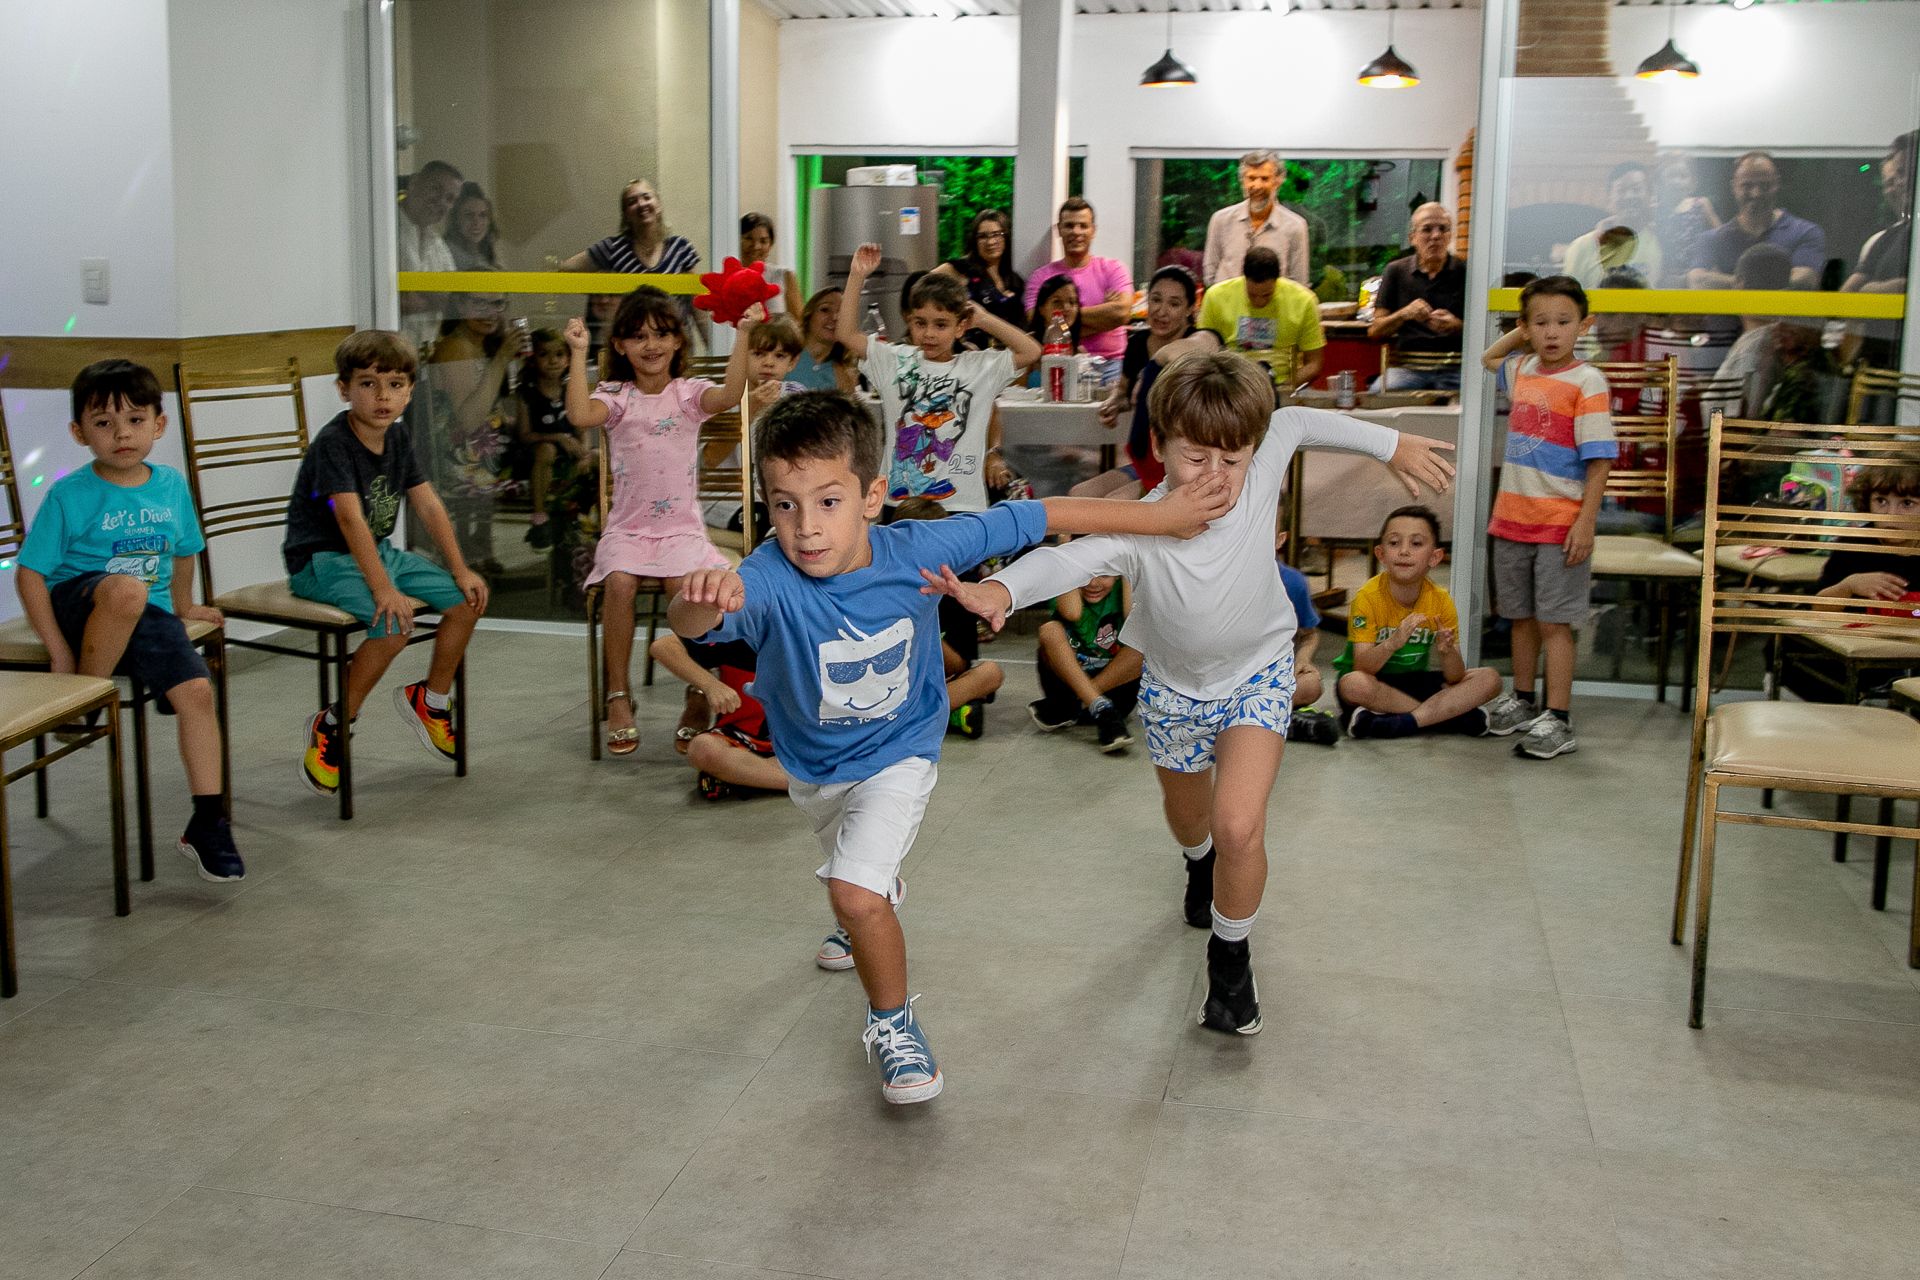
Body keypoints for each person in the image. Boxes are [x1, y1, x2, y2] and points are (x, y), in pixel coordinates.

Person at [667, 389, 1238, 1102]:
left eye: (828, 502)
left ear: (873, 495)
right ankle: (866, 908)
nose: (806, 528)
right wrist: (699, 592)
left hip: (903, 749)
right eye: (784, 505)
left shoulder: (920, 548)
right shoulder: (764, 579)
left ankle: (893, 1025)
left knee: (853, 887)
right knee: (852, 872)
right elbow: (689, 624)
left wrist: (1160, 517)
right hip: (812, 766)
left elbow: (1042, 514)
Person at [933, 353, 1456, 1036]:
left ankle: (1230, 960)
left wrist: (1394, 443)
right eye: (1196, 458)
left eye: (1232, 460)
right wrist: (999, 589)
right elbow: (1070, 556)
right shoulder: (1144, 523)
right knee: (1193, 823)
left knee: (1239, 824)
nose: (1216, 477)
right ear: (1160, 447)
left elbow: (1295, 419)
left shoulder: (1261, 461)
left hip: (1258, 676)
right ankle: (1197, 864)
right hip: (1176, 693)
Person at [16, 360, 242, 881]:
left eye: (136, 420)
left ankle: (208, 822)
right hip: (81, 606)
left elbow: (185, 549)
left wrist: (184, 607)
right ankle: (83, 696)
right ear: (79, 433)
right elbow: (30, 575)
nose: (122, 434)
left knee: (198, 694)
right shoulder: (70, 494)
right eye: (103, 423)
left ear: (159, 425)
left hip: (148, 613)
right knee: (125, 589)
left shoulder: (169, 485)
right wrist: (58, 651)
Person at [285, 331, 489, 797]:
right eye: (368, 384)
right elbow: (352, 520)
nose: (383, 396)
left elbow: (429, 505)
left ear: (410, 390)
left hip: (376, 554)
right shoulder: (334, 443)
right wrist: (382, 589)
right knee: (393, 623)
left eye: (395, 384)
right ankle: (334, 723)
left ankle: (431, 700)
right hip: (322, 560)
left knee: (465, 602)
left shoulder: (396, 436)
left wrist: (460, 569)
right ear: (343, 389)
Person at [563, 286, 755, 756]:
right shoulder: (617, 397)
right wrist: (577, 353)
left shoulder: (687, 395)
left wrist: (743, 333)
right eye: (638, 336)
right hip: (627, 530)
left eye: (662, 334)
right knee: (621, 583)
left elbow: (731, 393)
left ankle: (696, 691)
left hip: (681, 531)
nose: (651, 345)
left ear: (677, 342)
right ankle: (617, 694)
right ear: (620, 346)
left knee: (684, 589)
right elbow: (578, 413)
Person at [1477, 277, 1618, 761]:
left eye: (1563, 322)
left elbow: (1599, 459)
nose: (1552, 332)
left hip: (1560, 521)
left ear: (1585, 325)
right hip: (1512, 517)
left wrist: (1586, 522)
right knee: (1519, 617)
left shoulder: (1588, 380)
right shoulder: (1522, 370)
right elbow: (1488, 358)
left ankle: (1558, 717)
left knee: (1555, 622)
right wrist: (1521, 333)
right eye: (1541, 323)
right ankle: (1523, 699)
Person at [838, 243, 1040, 513]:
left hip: (961, 504)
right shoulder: (894, 359)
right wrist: (857, 276)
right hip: (901, 504)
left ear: (961, 327)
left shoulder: (980, 366)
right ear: (909, 321)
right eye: (920, 323)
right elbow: (846, 335)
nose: (929, 333)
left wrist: (984, 319)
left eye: (941, 324)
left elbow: (1032, 351)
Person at [1332, 506, 1500, 739]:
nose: (1403, 551)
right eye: (1394, 543)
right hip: (1375, 681)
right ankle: (1449, 717)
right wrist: (1392, 643)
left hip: (1414, 682)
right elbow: (1363, 666)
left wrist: (1447, 651)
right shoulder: (1367, 597)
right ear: (1381, 554)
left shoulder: (1440, 600)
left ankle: (1403, 722)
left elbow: (1454, 677)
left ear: (1435, 557)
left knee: (1489, 678)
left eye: (1416, 544)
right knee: (1352, 684)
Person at [1079, 266, 1221, 499]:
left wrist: (1154, 366)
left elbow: (1204, 347)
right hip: (1146, 459)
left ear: (1189, 309)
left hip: (1182, 465)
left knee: (1113, 506)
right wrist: (1116, 401)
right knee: (1079, 495)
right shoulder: (1137, 343)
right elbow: (1125, 390)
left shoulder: (1201, 336)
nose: (1162, 311)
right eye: (1156, 300)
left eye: (1174, 304)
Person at [890, 497, 1006, 739]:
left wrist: (920, 628)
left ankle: (918, 717)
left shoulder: (956, 592)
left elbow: (960, 664)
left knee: (991, 673)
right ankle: (947, 712)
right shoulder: (882, 586)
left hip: (933, 683)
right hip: (887, 684)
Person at [647, 633, 790, 800]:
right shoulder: (738, 631)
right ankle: (796, 781)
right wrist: (710, 685)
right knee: (703, 748)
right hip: (744, 739)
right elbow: (663, 646)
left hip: (805, 741)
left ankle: (753, 778)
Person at [1027, 572, 1142, 754]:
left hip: (1111, 698)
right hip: (1066, 689)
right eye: (1085, 575)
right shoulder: (1065, 588)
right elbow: (1072, 612)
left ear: (1119, 574)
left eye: (1103, 575)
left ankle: (1077, 706)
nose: (1093, 583)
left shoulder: (1123, 590)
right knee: (1050, 630)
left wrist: (1126, 560)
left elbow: (1132, 616)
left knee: (1142, 645)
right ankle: (1100, 708)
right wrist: (1068, 546)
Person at [1688, 152, 1826, 291]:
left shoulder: (1805, 232)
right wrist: (1777, 282)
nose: (1756, 193)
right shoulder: (1711, 239)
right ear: (1734, 187)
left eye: (1765, 186)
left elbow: (1806, 279)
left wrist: (1732, 282)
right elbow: (1697, 281)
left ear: (1777, 184)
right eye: (1747, 186)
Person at [1368, 202, 1467, 391]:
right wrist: (1404, 314)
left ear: (1450, 236)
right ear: (1412, 238)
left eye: (1443, 229)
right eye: (1427, 229)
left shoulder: (1466, 272)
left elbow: (1485, 330)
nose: (1436, 236)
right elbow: (1375, 331)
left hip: (1456, 368)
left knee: (1479, 399)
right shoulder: (1396, 271)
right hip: (1408, 369)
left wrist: (1457, 326)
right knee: (1377, 392)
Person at [1021, 198, 1135, 362]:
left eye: (1083, 226)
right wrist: (1105, 320)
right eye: (1069, 226)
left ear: (1093, 230)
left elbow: (1122, 313)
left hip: (1110, 364)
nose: (1076, 232)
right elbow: (1039, 326)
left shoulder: (1114, 269)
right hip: (1058, 363)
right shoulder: (1040, 277)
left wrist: (1059, 321)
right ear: (1059, 230)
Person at [1197, 246, 1325, 390]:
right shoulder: (1216, 297)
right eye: (1252, 295)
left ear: (1277, 280)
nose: (1259, 302)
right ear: (1244, 278)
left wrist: (1282, 388)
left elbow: (1314, 363)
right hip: (1230, 386)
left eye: (1266, 295)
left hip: (1284, 387)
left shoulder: (1304, 300)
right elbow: (1202, 357)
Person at [1841, 132, 1914, 373]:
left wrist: (1876, 289)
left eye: (1907, 172)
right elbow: (1848, 299)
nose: (1902, 183)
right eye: (1897, 175)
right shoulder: (1886, 239)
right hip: (1876, 368)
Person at [511, 328, 588, 548]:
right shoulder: (527, 392)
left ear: (568, 359)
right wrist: (559, 438)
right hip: (536, 453)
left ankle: (587, 514)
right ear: (533, 359)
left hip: (569, 452)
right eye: (544, 354)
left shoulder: (570, 390)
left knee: (598, 458)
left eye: (559, 354)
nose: (552, 361)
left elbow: (582, 430)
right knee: (548, 449)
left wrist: (584, 452)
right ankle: (539, 516)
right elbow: (524, 435)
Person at [1203, 150, 1311, 287]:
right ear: (1242, 181)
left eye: (1265, 179)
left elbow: (1299, 284)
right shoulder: (1220, 220)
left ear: (1278, 181)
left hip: (1274, 307)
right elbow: (1210, 275)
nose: (1257, 186)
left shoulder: (1295, 226)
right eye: (1251, 178)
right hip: (1227, 306)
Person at [1273, 530, 1339, 747]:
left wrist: (1302, 660)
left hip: (1272, 678)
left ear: (1280, 539)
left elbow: (1309, 634)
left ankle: (1270, 719)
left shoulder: (1293, 582)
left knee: (1310, 684)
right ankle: (1285, 722)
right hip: (1226, 676)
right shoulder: (1222, 578)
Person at [560, 177, 700, 276]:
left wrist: (703, 319)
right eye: (632, 201)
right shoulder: (613, 248)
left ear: (659, 204)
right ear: (626, 214)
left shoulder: (681, 248)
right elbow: (565, 269)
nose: (641, 204)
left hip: (675, 320)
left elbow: (697, 301)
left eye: (646, 197)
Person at [930, 208, 1026, 349]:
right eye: (983, 236)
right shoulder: (962, 269)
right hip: (969, 357)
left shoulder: (1015, 280)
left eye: (996, 234)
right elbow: (920, 285)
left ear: (1006, 237)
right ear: (974, 240)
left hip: (1008, 358)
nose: (990, 241)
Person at [396, 160, 462, 351]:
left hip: (424, 356)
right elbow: (390, 302)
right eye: (435, 189)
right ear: (414, 183)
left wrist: (423, 295)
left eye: (450, 198)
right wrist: (435, 298)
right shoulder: (386, 231)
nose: (442, 201)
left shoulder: (438, 244)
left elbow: (454, 300)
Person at [1562, 162, 1662, 290]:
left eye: (1636, 189)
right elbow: (1569, 298)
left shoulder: (1661, 242)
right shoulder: (1582, 246)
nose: (1629, 196)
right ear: (1609, 197)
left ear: (1650, 196)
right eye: (1621, 190)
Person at [1654, 153, 1719, 287]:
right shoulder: (1655, 209)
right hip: (1665, 274)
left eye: (1683, 176)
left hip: (1696, 272)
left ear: (1692, 182)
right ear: (1661, 180)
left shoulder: (1700, 204)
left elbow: (1720, 235)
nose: (1677, 181)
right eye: (1671, 175)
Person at [790, 287, 857, 393]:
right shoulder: (784, 355)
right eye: (825, 309)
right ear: (809, 315)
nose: (835, 317)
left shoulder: (844, 376)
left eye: (841, 313)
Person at [738, 212, 802, 317]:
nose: (756, 246)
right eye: (749, 239)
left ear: (770, 244)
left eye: (763, 241)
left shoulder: (784, 276)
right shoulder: (727, 277)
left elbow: (799, 322)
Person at [444, 181, 501, 271]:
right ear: (456, 220)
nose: (476, 222)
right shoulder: (445, 254)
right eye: (469, 215)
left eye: (482, 215)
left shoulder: (484, 256)